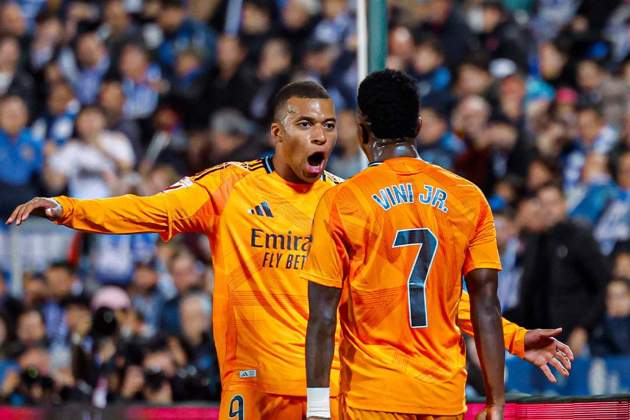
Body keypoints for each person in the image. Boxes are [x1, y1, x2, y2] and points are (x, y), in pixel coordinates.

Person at [7, 81, 572, 418]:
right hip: (252, 387)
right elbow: (149, 209)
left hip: (327, 393)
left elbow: (409, 293)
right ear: (278, 134)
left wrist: (518, 339)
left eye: (328, 124)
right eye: (305, 124)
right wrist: (68, 208)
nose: (321, 136)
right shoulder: (231, 186)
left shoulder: (347, 203)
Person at [304, 69, 513, 420]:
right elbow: (486, 306)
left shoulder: (344, 201)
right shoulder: (467, 197)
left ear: (362, 129)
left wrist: (318, 410)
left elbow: (323, 317)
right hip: (443, 396)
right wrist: (495, 402)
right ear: (417, 126)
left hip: (373, 395)